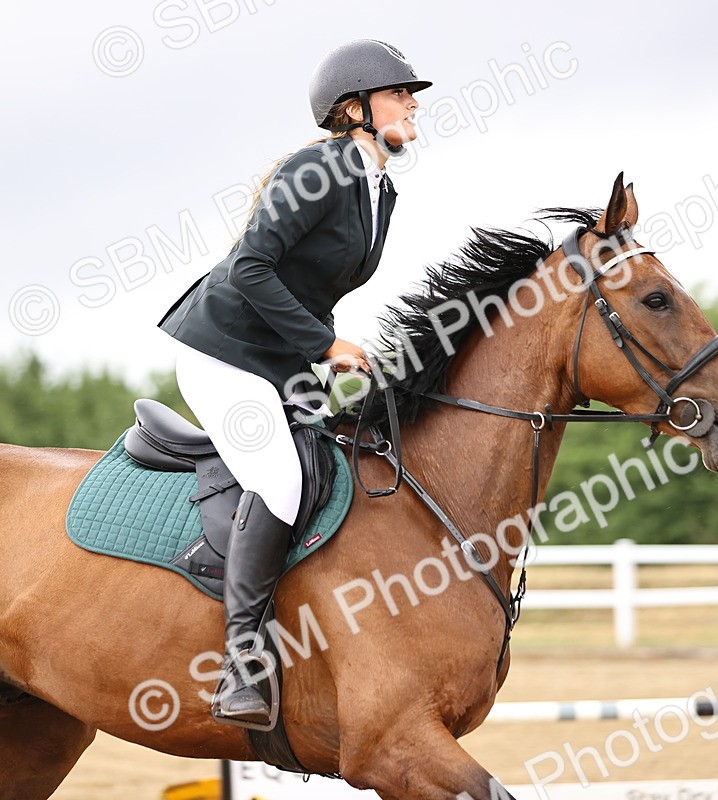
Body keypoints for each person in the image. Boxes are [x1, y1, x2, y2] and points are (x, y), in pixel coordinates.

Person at [156, 39, 431, 727]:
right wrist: (326, 344)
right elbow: (251, 267)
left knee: (329, 463)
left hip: (280, 360)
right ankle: (241, 666)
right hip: (223, 350)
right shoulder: (317, 169)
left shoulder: (379, 188)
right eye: (401, 93)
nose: (414, 104)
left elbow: (315, 287)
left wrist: (328, 356)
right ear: (354, 108)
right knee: (279, 478)